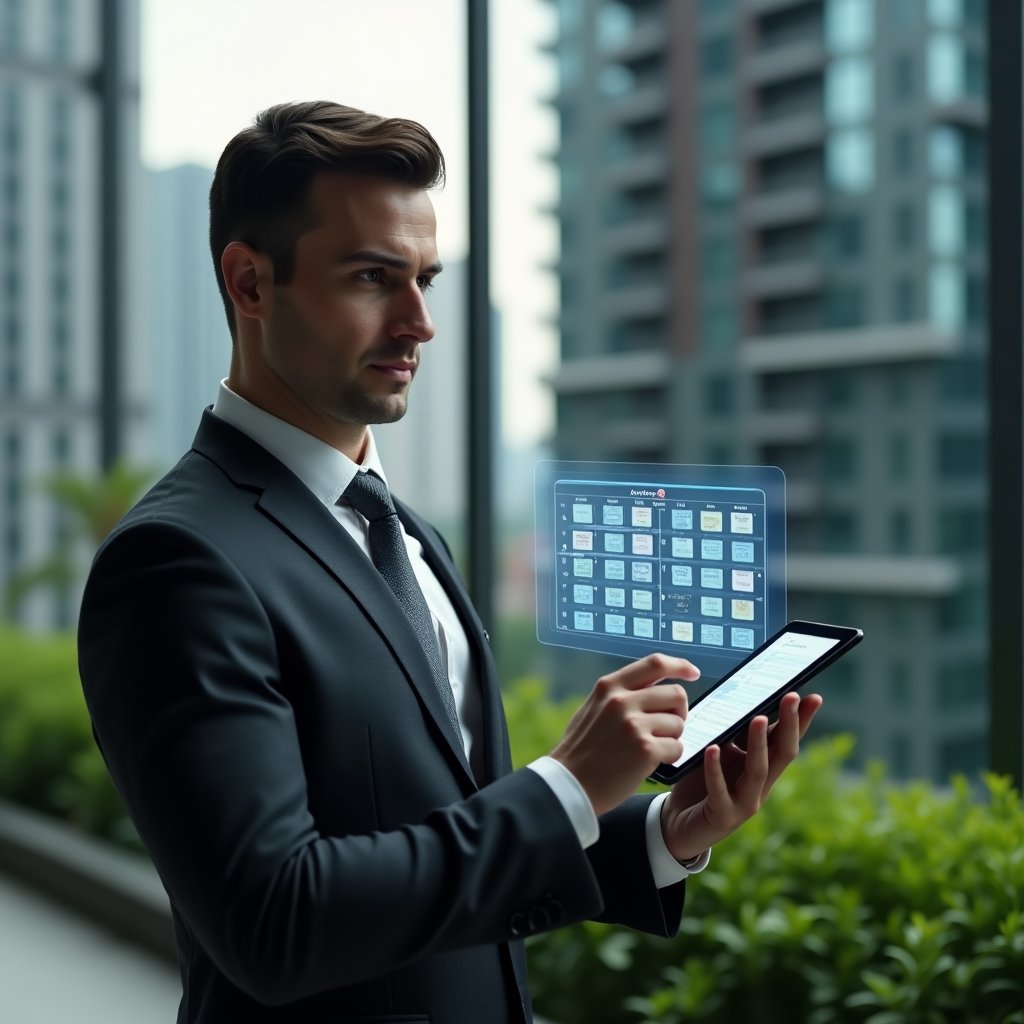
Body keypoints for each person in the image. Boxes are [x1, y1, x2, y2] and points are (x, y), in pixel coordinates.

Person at [78, 101, 822, 1024]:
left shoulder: (408, 534)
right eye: (372, 277)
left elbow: (447, 831)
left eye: (425, 279)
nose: (420, 322)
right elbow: (274, 919)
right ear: (251, 282)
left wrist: (664, 831)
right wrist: (565, 784)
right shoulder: (175, 563)